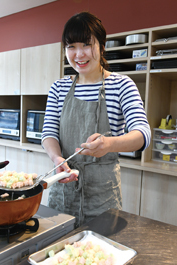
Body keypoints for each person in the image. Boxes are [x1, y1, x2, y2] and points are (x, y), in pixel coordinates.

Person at [42, 11, 151, 227]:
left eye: (86, 44)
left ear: (101, 46)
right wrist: (56, 159)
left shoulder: (122, 85)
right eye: (71, 46)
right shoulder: (59, 88)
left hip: (102, 198)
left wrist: (109, 144)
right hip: (62, 191)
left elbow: (142, 134)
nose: (79, 54)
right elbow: (49, 133)